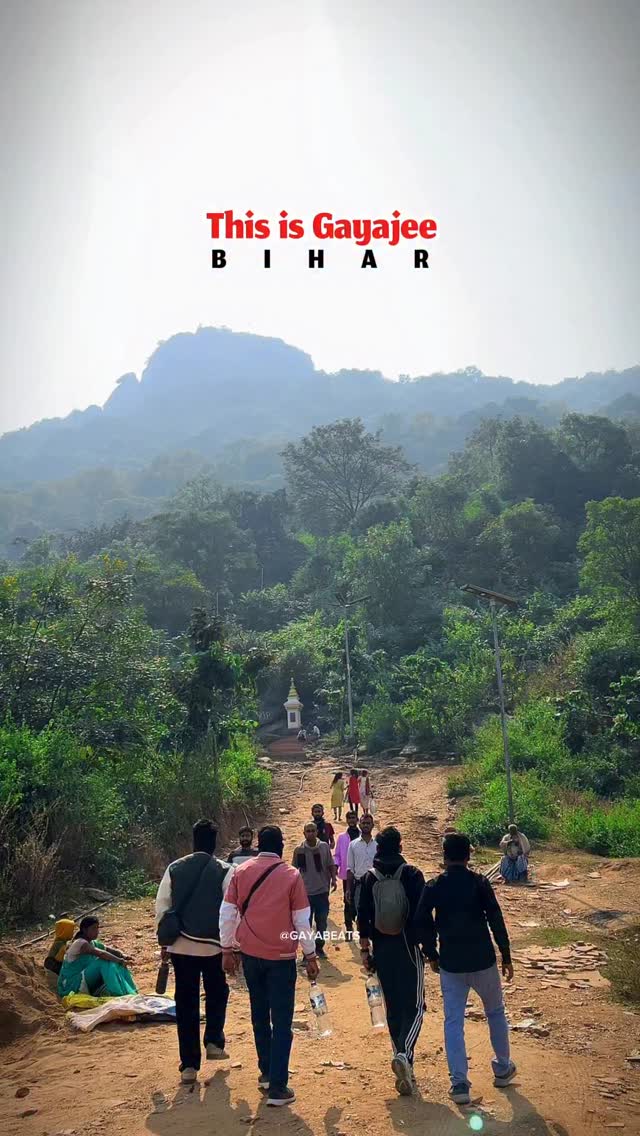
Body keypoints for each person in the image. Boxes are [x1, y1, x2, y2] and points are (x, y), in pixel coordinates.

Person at [220, 825, 319, 1108]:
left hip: (250, 955)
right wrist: (310, 955)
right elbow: (301, 921)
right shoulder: (291, 875)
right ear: (281, 846)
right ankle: (278, 1086)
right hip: (282, 958)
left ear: (258, 844)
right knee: (282, 1021)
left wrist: (227, 949)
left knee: (259, 1015)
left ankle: (266, 1072)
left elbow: (227, 914)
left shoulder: (240, 872)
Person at [416, 832, 516, 1106]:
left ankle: (459, 1083)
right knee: (495, 1012)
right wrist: (506, 955)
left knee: (453, 1022)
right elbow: (495, 918)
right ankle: (503, 1068)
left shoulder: (434, 885)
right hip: (483, 960)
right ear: (468, 855)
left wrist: (431, 953)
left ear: (444, 856)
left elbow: (421, 920)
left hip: (451, 964)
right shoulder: (479, 883)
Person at [155, 818, 235, 1085]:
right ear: (214, 842)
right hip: (213, 946)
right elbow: (230, 912)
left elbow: (162, 906)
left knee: (186, 1002)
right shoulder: (225, 870)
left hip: (181, 946)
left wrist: (164, 943)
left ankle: (189, 1065)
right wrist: (231, 946)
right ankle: (213, 1040)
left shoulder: (175, 867)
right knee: (217, 992)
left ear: (193, 840)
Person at [357, 826, 427, 1097]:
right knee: (416, 1006)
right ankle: (404, 1055)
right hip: (408, 948)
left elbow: (362, 915)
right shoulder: (412, 874)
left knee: (393, 1006)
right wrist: (430, 950)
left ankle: (404, 1063)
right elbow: (422, 915)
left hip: (381, 950)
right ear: (400, 846)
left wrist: (365, 952)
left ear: (378, 848)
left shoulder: (368, 878)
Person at [57, 916, 137, 998]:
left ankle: (133, 992)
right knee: (104, 961)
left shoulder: (93, 943)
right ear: (84, 930)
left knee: (116, 962)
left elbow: (109, 950)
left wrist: (123, 956)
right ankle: (117, 995)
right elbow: (101, 953)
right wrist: (120, 960)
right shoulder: (80, 943)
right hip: (72, 984)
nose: (97, 931)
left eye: (97, 928)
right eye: (93, 928)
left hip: (83, 980)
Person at [293, 822, 337, 958]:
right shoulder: (299, 850)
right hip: (305, 893)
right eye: (308, 831)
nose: (310, 833)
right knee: (306, 924)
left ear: (317, 832)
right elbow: (294, 870)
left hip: (322, 891)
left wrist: (334, 879)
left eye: (313, 831)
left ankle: (319, 947)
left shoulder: (324, 847)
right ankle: (308, 952)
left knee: (322, 922)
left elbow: (330, 864)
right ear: (304, 833)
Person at [333, 811, 360, 937]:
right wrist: (335, 866)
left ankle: (361, 928)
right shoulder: (342, 837)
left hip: (361, 874)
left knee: (361, 901)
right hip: (346, 875)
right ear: (347, 820)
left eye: (353, 818)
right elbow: (337, 855)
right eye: (349, 818)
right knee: (347, 900)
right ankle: (349, 928)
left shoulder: (362, 836)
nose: (351, 820)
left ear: (357, 819)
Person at [346, 811, 377, 915]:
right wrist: (348, 889)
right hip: (359, 885)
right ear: (359, 825)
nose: (366, 825)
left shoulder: (378, 845)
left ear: (373, 825)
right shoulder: (353, 845)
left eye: (368, 823)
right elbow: (350, 868)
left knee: (375, 915)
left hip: (376, 886)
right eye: (363, 823)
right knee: (360, 916)